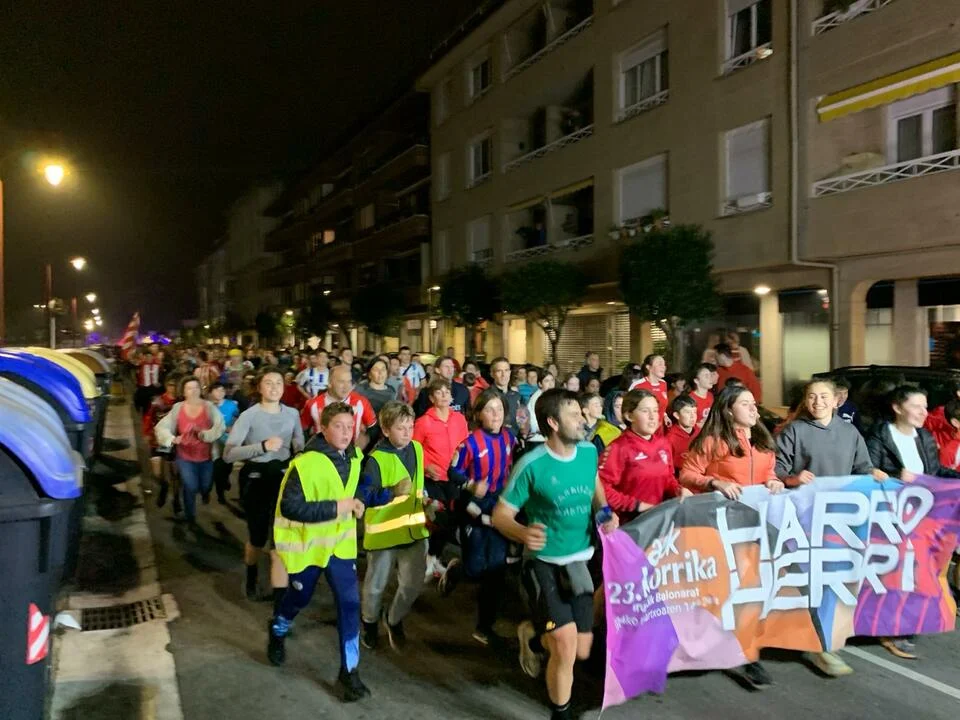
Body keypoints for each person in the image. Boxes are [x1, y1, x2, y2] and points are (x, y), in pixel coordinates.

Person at [492, 389, 619, 720]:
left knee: (582, 649)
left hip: (580, 560)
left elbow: (594, 485)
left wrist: (605, 512)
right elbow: (500, 515)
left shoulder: (588, 451)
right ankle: (560, 714)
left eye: (581, 413)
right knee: (564, 644)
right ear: (552, 422)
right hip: (543, 563)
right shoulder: (532, 465)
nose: (583, 420)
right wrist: (522, 532)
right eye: (574, 415)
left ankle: (532, 636)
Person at [775, 378, 885, 677]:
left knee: (833, 578)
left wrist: (874, 474)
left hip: (840, 518)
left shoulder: (850, 433)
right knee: (811, 578)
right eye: (812, 397)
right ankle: (817, 642)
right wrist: (794, 479)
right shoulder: (794, 431)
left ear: (837, 400)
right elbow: (777, 470)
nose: (818, 402)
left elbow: (861, 468)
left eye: (824, 396)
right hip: (804, 517)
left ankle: (822, 640)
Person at [679, 384, 783, 689]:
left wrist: (774, 482)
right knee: (723, 590)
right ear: (728, 410)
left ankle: (747, 653)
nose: (753, 408)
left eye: (754, 403)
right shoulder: (712, 441)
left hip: (755, 528)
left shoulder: (763, 441)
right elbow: (687, 474)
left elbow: (769, 473)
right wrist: (715, 482)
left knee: (753, 589)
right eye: (745, 404)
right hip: (719, 528)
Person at [267, 402, 370, 702]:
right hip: (308, 549)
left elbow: (356, 487)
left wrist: (361, 499)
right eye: (338, 426)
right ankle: (278, 629)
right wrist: (339, 507)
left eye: (350, 427)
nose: (346, 433)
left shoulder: (355, 457)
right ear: (323, 428)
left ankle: (349, 671)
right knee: (298, 599)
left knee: (350, 604)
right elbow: (291, 507)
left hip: (340, 547)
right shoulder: (304, 463)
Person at [866, 385, 960, 660]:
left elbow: (934, 471)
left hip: (922, 515)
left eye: (925, 406)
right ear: (897, 408)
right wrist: (897, 475)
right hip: (891, 515)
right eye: (916, 406)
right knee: (895, 572)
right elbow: (867, 470)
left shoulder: (925, 436)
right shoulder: (880, 435)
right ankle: (889, 628)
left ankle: (902, 621)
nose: (923, 412)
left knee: (918, 571)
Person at [224, 367, 305, 602]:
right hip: (256, 478)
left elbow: (298, 442)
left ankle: (279, 590)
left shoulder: (292, 414)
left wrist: (300, 454)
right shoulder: (249, 416)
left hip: (283, 477)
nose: (274, 387)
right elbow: (229, 454)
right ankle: (251, 575)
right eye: (268, 383)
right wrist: (261, 447)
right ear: (259, 387)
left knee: (281, 536)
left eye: (278, 383)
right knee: (257, 537)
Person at [443, 389, 517, 644]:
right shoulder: (470, 443)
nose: (496, 414)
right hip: (474, 509)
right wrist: (471, 485)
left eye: (500, 409)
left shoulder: (510, 437)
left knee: (496, 569)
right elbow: (453, 472)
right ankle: (458, 570)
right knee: (475, 569)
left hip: (499, 507)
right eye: (489, 409)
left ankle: (484, 626)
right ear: (478, 414)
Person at [358, 401, 428, 653]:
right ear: (386, 430)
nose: (407, 433)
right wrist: (391, 492)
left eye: (410, 427)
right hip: (384, 535)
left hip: (414, 530)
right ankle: (369, 622)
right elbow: (364, 496)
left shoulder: (417, 449)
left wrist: (425, 498)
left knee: (412, 584)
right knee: (375, 586)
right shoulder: (375, 460)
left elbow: (417, 485)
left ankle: (393, 618)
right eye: (401, 428)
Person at [599, 389, 690, 525]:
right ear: (629, 415)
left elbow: (668, 478)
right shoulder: (619, 447)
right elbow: (601, 488)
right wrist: (635, 505)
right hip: (631, 524)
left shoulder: (663, 444)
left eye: (655, 410)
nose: (653, 416)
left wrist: (678, 490)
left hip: (661, 520)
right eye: (645, 411)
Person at [413, 376, 470, 581]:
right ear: (431, 398)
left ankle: (434, 558)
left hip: (454, 478)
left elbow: (465, 445)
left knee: (452, 520)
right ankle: (429, 560)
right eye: (439, 392)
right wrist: (425, 467)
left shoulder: (459, 419)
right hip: (433, 479)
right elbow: (414, 450)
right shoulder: (423, 422)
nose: (444, 395)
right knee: (437, 520)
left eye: (447, 392)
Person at [154, 376, 225, 524]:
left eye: (196, 387)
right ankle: (190, 516)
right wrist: (172, 439)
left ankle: (205, 493)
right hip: (184, 456)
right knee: (190, 486)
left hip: (206, 456)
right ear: (183, 391)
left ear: (200, 390)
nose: (193, 391)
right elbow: (162, 427)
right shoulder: (178, 408)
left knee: (205, 485)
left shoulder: (209, 407)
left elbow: (220, 426)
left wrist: (204, 434)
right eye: (189, 388)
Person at [301, 365, 377, 447]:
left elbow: (373, 428)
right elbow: (302, 430)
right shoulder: (312, 404)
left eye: (349, 381)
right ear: (330, 383)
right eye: (341, 382)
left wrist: (365, 440)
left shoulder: (361, 402)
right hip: (322, 452)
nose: (346, 386)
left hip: (352, 452)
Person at [146, 378, 181, 514]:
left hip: (173, 441)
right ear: (166, 386)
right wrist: (147, 433)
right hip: (158, 441)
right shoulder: (157, 401)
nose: (173, 388)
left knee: (175, 474)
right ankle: (164, 486)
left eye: (175, 385)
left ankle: (176, 500)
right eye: (171, 385)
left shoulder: (181, 402)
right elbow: (148, 418)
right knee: (157, 473)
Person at [208, 381, 240, 505]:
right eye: (217, 390)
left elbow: (237, 418)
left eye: (222, 390)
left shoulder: (232, 404)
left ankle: (225, 478)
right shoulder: (207, 406)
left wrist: (233, 426)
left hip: (229, 440)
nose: (220, 393)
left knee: (227, 466)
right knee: (217, 467)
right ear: (211, 393)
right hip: (214, 441)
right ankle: (220, 493)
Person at [664, 394, 699, 476]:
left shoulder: (701, 432)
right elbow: (668, 469)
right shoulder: (670, 438)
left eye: (694, 412)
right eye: (687, 412)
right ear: (677, 415)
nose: (692, 416)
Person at [629, 354, 669, 424]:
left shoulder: (663, 383)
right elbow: (627, 407)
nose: (664, 367)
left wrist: (665, 415)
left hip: (660, 427)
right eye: (660, 364)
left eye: (664, 364)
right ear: (648, 367)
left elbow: (662, 405)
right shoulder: (638, 385)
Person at [491, 357, 522, 433]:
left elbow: (521, 420)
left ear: (510, 372)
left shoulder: (516, 396)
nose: (503, 375)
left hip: (515, 438)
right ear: (492, 374)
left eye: (506, 370)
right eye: (499, 371)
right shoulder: (487, 396)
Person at [526, 371, 556, 443]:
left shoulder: (551, 396)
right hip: (537, 438)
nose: (551, 384)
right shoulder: (537, 398)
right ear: (540, 384)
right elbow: (534, 424)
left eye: (552, 380)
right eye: (547, 381)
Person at [134, 348, 163, 415]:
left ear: (153, 357)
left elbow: (161, 375)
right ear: (145, 357)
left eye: (150, 357)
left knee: (152, 404)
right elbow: (136, 373)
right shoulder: (141, 364)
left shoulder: (157, 365)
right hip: (144, 387)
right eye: (147, 357)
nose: (149, 358)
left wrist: (159, 383)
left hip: (154, 387)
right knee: (142, 401)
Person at [689, 363, 717, 428]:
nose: (710, 379)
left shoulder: (710, 395)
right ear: (696, 380)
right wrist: (698, 425)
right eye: (706, 376)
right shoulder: (690, 399)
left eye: (710, 375)